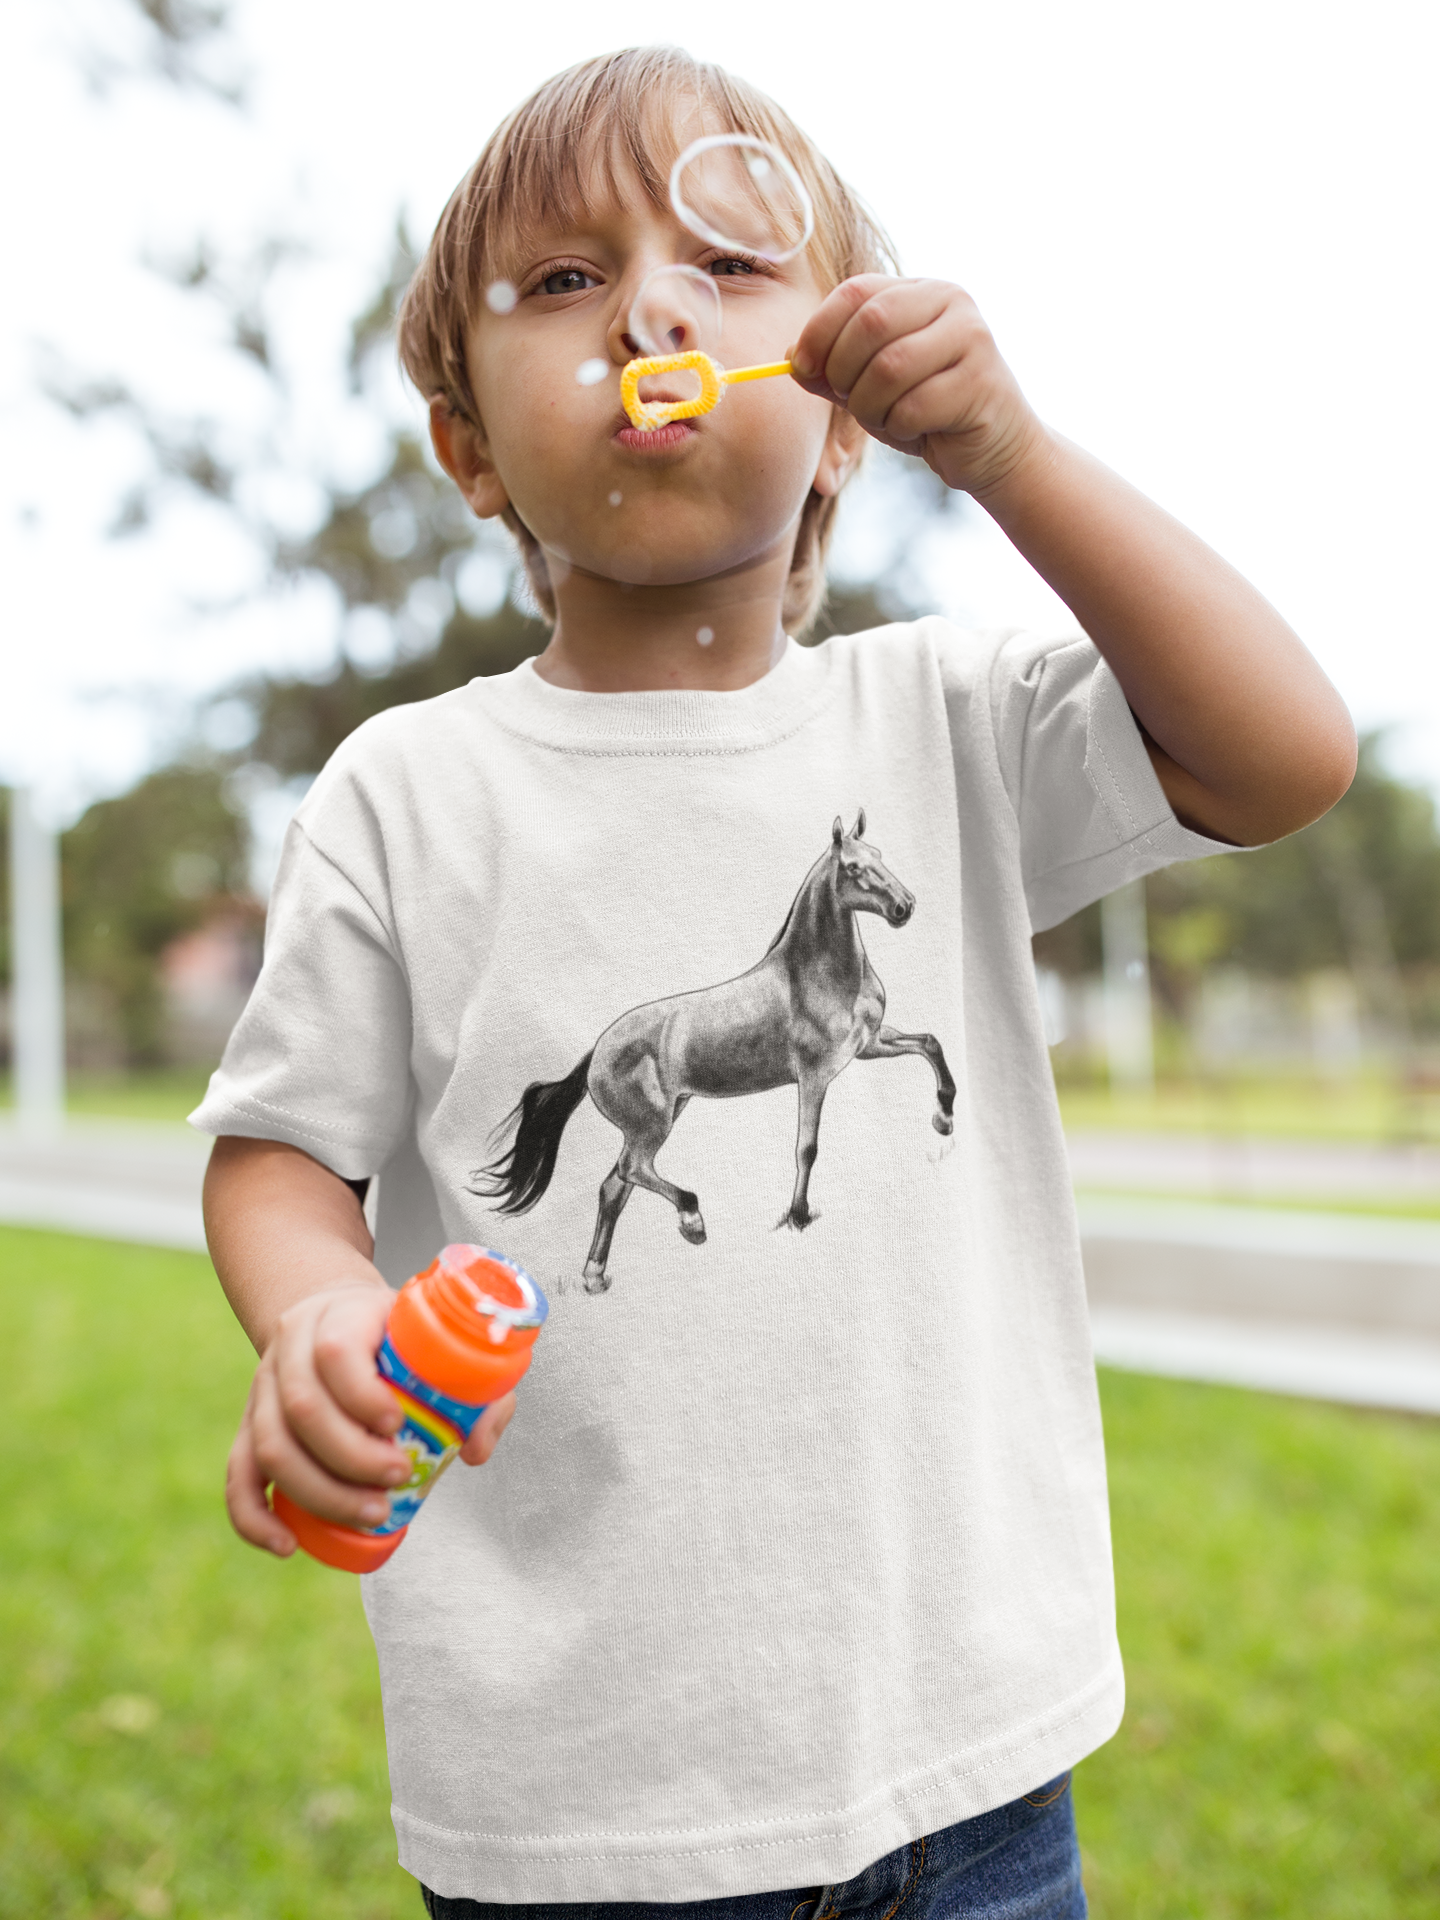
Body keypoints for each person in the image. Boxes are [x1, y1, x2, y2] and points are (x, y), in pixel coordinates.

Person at [194, 45, 1356, 1920]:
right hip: (577, 1812)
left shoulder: (949, 720)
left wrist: (1018, 458)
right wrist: (319, 1313)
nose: (652, 304)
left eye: (728, 267)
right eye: (566, 282)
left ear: (834, 413)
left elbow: (1284, 756)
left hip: (973, 1773)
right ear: (470, 445)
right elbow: (278, 1154)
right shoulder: (408, 793)